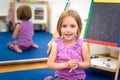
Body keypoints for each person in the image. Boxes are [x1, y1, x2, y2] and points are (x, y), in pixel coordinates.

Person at [45, 9, 91, 80]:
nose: (68, 30)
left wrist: (78, 64)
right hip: (61, 77)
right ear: (59, 28)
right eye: (64, 26)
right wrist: (66, 65)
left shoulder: (82, 45)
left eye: (72, 26)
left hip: (77, 78)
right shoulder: (57, 45)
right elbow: (49, 65)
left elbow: (88, 63)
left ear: (78, 28)